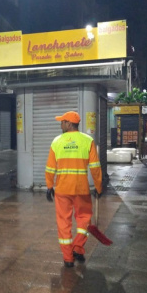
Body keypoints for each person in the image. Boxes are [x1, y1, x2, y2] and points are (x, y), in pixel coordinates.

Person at [45, 111, 102, 267]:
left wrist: (49, 186)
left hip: (62, 190)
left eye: (62, 121)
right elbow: (95, 167)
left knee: (64, 223)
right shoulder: (87, 140)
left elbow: (50, 167)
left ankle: (68, 258)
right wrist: (98, 186)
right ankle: (78, 247)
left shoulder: (56, 141)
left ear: (69, 124)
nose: (60, 124)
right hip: (81, 189)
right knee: (84, 219)